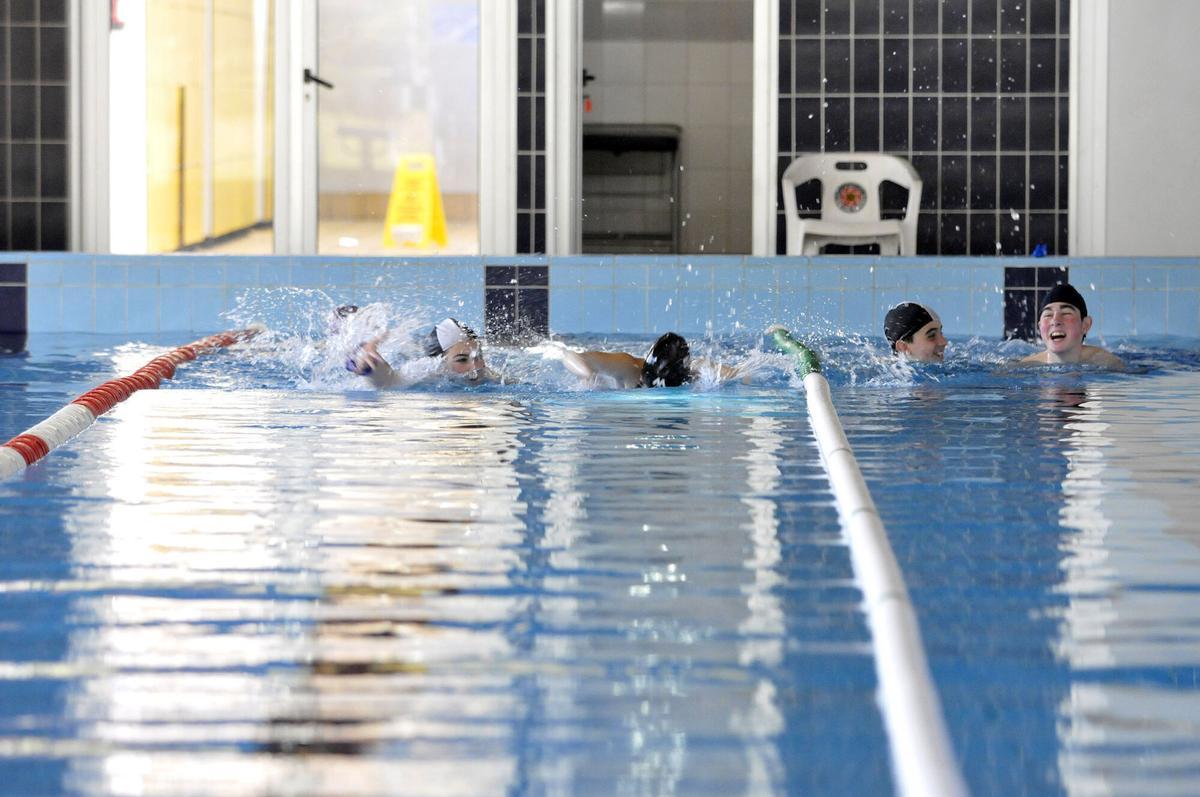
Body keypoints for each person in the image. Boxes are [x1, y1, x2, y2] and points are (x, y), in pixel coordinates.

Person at [345, 317, 504, 388]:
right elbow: (389, 381)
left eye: (479, 357)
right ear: (439, 360)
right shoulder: (425, 371)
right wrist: (369, 364)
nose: (475, 367)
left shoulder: (486, 374)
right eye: (462, 360)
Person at [551, 331, 744, 389]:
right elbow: (569, 356)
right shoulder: (629, 366)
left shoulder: (698, 371)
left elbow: (743, 375)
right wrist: (588, 374)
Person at [1017, 283, 1124, 369]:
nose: (1055, 320)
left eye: (1066, 313)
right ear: (1040, 327)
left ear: (1085, 325)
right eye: (1048, 315)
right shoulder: (1026, 366)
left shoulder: (1107, 363)